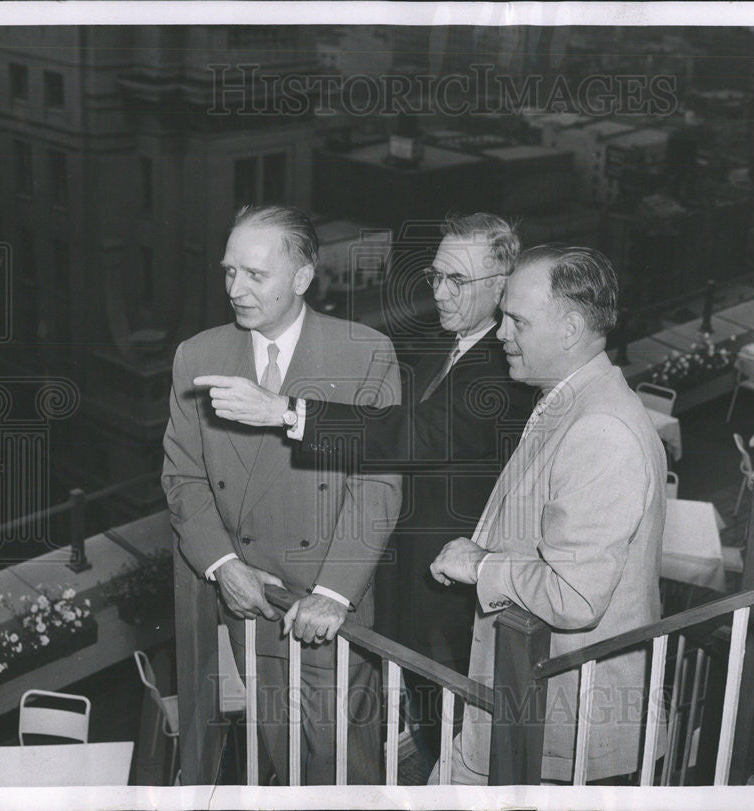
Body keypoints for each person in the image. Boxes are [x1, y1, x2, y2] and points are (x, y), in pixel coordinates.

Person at [196, 213, 537, 777]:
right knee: (425, 723)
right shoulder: (444, 346)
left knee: (455, 734)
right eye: (435, 276)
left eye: (458, 282)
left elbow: (416, 435)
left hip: (449, 598)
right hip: (408, 583)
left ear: (503, 286)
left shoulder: (505, 367)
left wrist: (285, 411)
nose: (439, 293)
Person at [162, 204, 402, 785]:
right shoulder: (197, 356)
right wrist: (223, 566)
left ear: (301, 278)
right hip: (250, 598)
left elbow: (377, 483)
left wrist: (333, 593)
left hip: (328, 601)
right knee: (279, 748)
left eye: (254, 275)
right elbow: (183, 476)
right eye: (229, 272)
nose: (236, 289)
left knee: (345, 765)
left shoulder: (364, 351)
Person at [428, 245, 667, 784]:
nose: (500, 333)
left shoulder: (601, 430)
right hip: (526, 705)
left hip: (567, 730)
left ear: (571, 327)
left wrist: (481, 568)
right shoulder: (572, 400)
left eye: (517, 320)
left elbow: (575, 596)